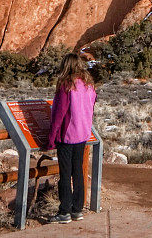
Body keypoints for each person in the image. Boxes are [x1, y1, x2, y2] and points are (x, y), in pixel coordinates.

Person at [46, 53, 97, 224]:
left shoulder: (66, 85)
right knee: (78, 172)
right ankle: (77, 210)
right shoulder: (89, 85)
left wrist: (51, 138)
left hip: (67, 136)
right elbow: (91, 107)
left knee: (65, 174)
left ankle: (64, 212)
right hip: (83, 134)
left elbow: (59, 114)